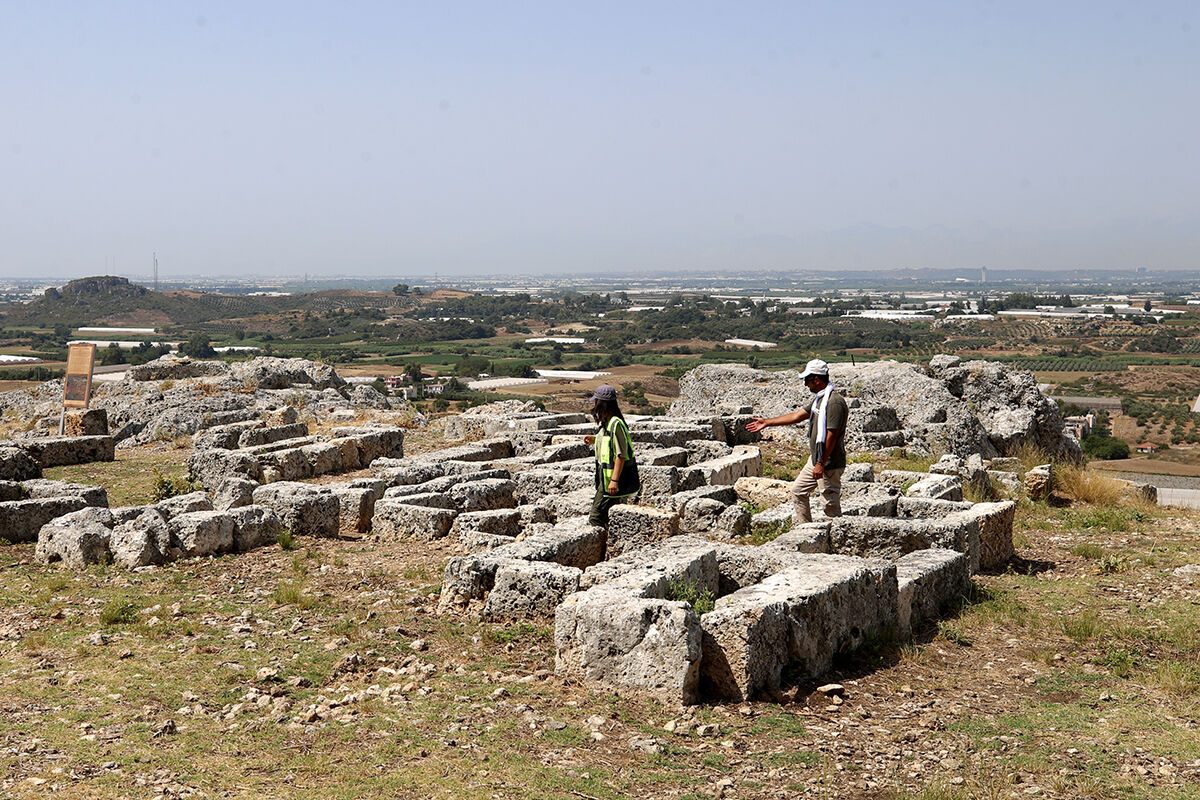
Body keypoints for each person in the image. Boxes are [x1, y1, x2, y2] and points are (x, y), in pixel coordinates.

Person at [745, 359, 847, 523]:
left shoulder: (834, 403)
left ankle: (836, 532)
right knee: (798, 491)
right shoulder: (820, 400)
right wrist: (767, 422)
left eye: (807, 380)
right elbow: (797, 416)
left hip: (829, 463)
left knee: (830, 504)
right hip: (816, 459)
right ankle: (805, 529)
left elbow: (831, 435)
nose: (805, 384)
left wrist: (821, 463)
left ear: (816, 379)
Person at [583, 385, 638, 525]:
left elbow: (621, 455)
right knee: (606, 515)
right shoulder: (606, 423)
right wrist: (594, 439)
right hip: (604, 477)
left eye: (596, 402)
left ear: (602, 404)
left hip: (611, 480)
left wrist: (614, 481)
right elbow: (609, 442)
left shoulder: (615, 424)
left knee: (595, 517)